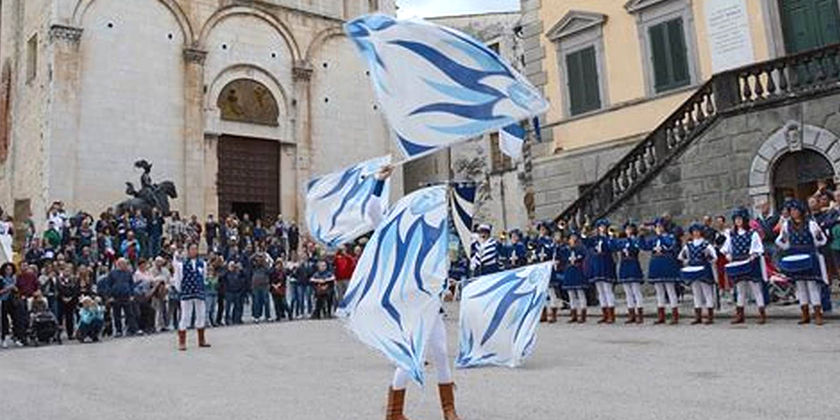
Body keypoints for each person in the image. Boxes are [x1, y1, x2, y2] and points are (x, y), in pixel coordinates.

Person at [367, 165, 461, 420]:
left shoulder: (430, 241)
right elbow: (373, 210)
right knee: (412, 356)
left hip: (431, 304)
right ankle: (394, 412)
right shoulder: (393, 235)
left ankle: (448, 410)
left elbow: (435, 274)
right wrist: (379, 181)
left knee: (441, 353)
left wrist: (446, 288)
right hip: (408, 305)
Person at [776, 200, 828, 325]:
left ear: (801, 211)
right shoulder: (787, 225)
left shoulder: (811, 224)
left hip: (809, 256)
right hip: (795, 257)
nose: (793, 213)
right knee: (800, 286)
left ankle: (817, 314)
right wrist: (785, 244)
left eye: (796, 210)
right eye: (791, 211)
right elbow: (781, 242)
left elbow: (821, 241)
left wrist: (817, 238)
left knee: (812, 285)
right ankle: (805, 314)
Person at [173, 242, 210, 350]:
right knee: (185, 316)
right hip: (187, 292)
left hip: (199, 292)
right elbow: (178, 279)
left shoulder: (202, 263)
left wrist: (203, 286)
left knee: (201, 314)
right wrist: (180, 290)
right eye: (192, 249)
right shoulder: (182, 264)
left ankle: (201, 339)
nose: (194, 251)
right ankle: (182, 342)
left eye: (195, 249)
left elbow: (204, 277)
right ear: (188, 251)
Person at [642, 219, 681, 325]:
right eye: (656, 227)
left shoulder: (670, 236)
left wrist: (660, 236)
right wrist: (641, 236)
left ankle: (675, 315)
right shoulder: (654, 239)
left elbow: (670, 245)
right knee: (659, 291)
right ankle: (661, 315)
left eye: (659, 226)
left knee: (670, 290)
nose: (657, 228)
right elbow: (645, 246)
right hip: (656, 264)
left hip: (667, 264)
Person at [678, 223, 718, 325]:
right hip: (693, 270)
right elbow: (681, 256)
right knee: (696, 293)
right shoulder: (689, 245)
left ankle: (710, 316)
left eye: (697, 231)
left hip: (704, 270)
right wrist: (686, 261)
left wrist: (708, 258)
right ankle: (698, 316)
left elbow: (714, 257)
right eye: (694, 231)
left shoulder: (706, 244)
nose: (696, 233)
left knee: (707, 292)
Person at [584, 219, 617, 324]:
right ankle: (605, 314)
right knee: (601, 291)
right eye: (600, 227)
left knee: (608, 290)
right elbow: (586, 242)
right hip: (597, 265)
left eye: (603, 227)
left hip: (606, 264)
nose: (601, 229)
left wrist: (610, 237)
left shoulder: (609, 238)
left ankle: (611, 314)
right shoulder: (595, 239)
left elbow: (612, 247)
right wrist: (585, 231)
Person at [614, 222, 645, 324]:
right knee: (628, 292)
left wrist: (633, 237)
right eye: (626, 229)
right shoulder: (622, 241)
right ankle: (631, 314)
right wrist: (612, 238)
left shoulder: (635, 239)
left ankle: (639, 314)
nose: (628, 231)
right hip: (624, 265)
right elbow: (613, 247)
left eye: (630, 229)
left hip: (633, 264)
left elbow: (636, 248)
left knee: (636, 291)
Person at [559, 231, 588, 323]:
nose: (572, 239)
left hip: (577, 271)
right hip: (569, 271)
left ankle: (583, 314)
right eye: (571, 238)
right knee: (571, 294)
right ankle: (573, 314)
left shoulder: (580, 248)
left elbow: (583, 256)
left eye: (574, 237)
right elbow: (561, 255)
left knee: (580, 293)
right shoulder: (566, 249)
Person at [106, 258, 138, 337]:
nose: (126, 266)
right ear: (119, 264)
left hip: (126, 296)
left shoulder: (128, 273)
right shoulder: (112, 273)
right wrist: (110, 296)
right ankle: (118, 331)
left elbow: (131, 284)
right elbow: (108, 285)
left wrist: (132, 295)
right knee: (117, 314)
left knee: (129, 314)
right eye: (124, 264)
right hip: (116, 296)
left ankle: (132, 329)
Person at [1, 262, 21, 348]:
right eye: (7, 269)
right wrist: (8, 288)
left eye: (10, 269)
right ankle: (4, 338)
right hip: (4, 300)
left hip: (13, 301)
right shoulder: (1, 279)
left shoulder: (15, 279)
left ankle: (16, 337)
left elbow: (18, 290)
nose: (9, 271)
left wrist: (15, 288)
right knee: (4, 320)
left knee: (16, 319)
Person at [250, 253, 272, 323]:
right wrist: (255, 254)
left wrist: (264, 260)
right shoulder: (254, 266)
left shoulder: (265, 266)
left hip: (264, 285)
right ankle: (257, 316)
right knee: (256, 301)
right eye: (258, 259)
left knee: (266, 301)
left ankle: (268, 316)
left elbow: (270, 271)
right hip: (255, 286)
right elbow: (249, 260)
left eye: (260, 259)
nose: (259, 260)